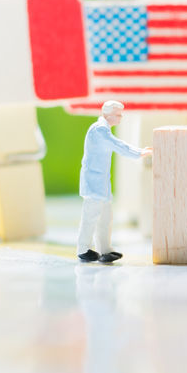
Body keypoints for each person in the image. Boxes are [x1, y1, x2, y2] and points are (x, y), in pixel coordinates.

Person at [77, 101, 149, 264]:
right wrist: (139, 153)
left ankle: (104, 250)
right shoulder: (99, 130)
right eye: (118, 114)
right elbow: (118, 145)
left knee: (105, 218)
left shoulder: (103, 129)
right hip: (94, 184)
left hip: (101, 183)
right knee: (90, 217)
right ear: (108, 114)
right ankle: (83, 249)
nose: (120, 117)